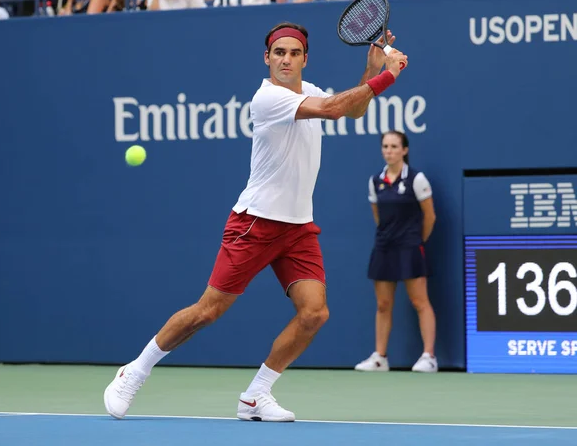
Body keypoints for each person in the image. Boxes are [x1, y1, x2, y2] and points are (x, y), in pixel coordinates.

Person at [103, 23, 408, 422]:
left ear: (304, 59)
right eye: (278, 52)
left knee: (314, 313)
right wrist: (389, 74)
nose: (285, 59)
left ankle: (256, 395)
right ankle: (135, 370)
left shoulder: (311, 90)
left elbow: (351, 109)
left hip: (298, 228)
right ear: (267, 58)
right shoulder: (267, 99)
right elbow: (334, 109)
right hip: (255, 223)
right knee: (207, 311)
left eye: (293, 53)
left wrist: (369, 72)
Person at [354, 131, 438, 373]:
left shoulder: (417, 179)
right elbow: (377, 215)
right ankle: (380, 357)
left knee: (419, 301)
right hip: (384, 247)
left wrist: (416, 240)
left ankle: (429, 356)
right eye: (385, 146)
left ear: (405, 150)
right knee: (383, 304)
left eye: (394, 146)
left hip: (410, 247)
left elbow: (430, 216)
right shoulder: (375, 181)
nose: (388, 150)